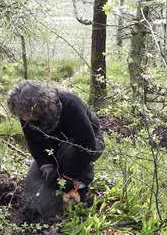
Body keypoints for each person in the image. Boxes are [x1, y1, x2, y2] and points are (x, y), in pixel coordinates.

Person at [7, 80, 104, 221]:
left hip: (87, 144)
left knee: (69, 153)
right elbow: (33, 143)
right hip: (53, 148)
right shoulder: (26, 116)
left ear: (39, 105)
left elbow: (87, 146)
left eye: (25, 114)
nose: (23, 119)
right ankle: (40, 207)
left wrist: (66, 177)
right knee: (34, 186)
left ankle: (81, 185)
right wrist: (46, 167)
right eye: (20, 115)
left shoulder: (70, 105)